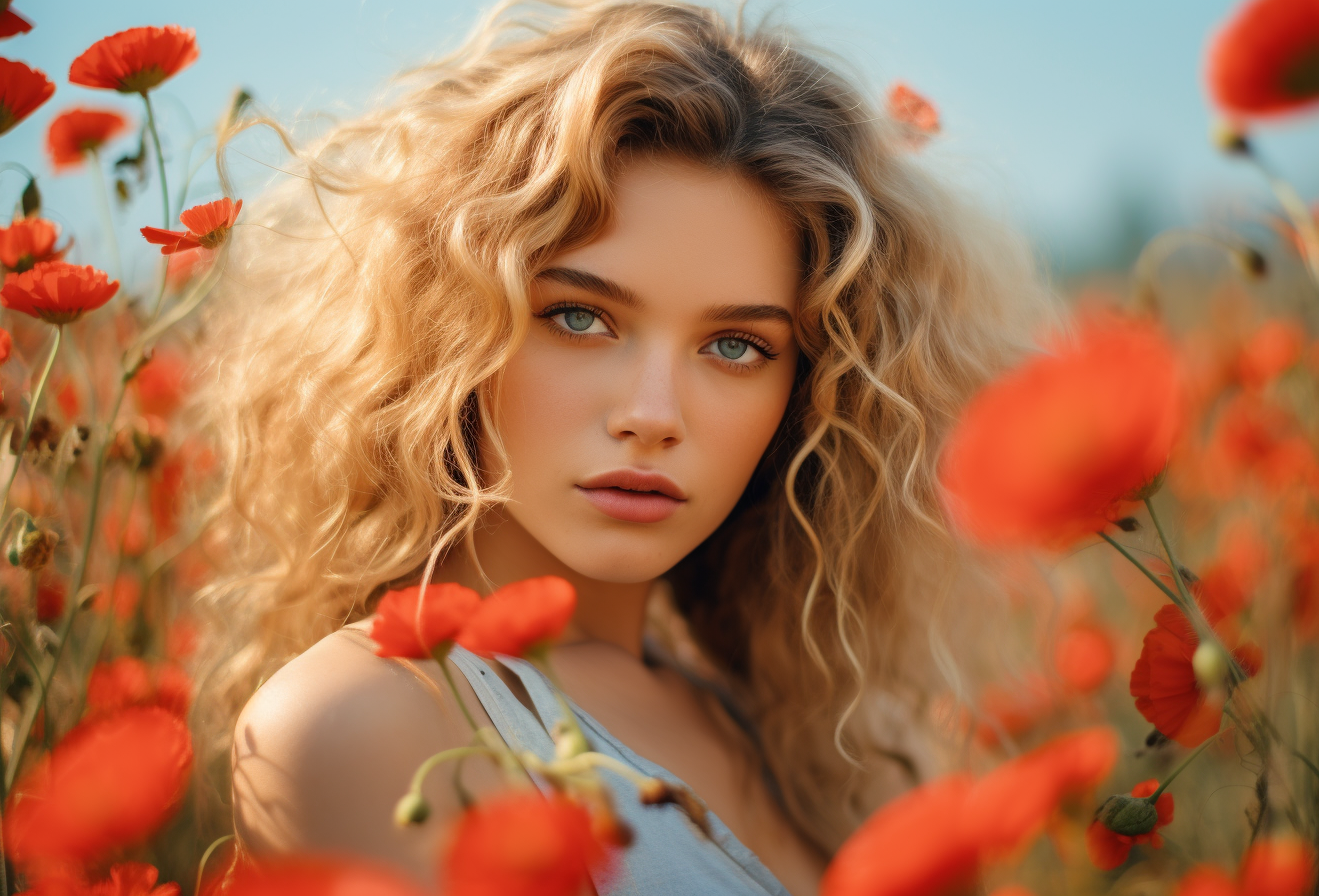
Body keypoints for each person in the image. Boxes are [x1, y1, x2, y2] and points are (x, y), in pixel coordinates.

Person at [198, 2, 1051, 894]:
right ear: (451, 329)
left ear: (805, 395)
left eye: (736, 346)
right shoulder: (365, 726)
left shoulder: (802, 733)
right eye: (580, 317)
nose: (653, 415)